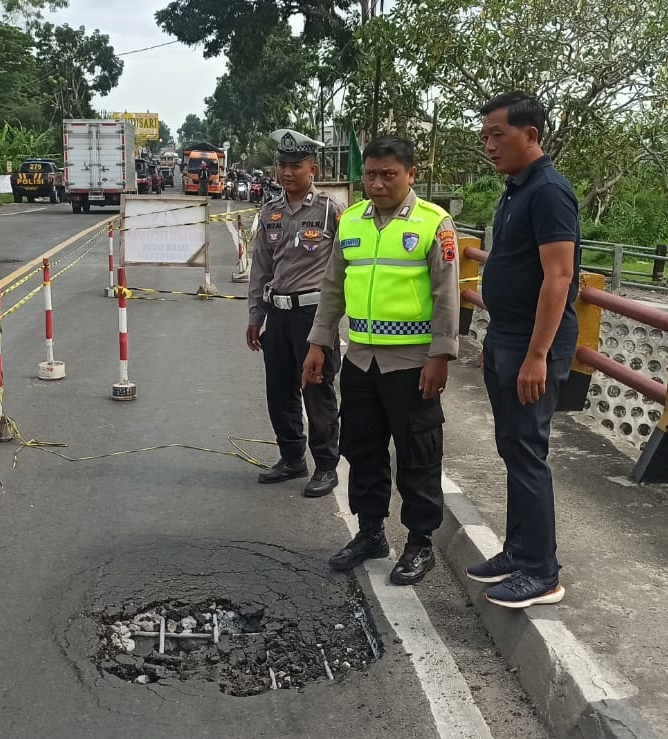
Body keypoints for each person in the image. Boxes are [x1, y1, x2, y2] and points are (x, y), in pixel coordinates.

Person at [303, 136, 460, 586]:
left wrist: (441, 355)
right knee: (363, 449)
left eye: (388, 174)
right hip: (361, 360)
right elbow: (333, 288)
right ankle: (370, 532)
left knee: (418, 455)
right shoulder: (350, 221)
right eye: (370, 174)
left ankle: (419, 543)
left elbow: (446, 295)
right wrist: (320, 343)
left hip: (413, 364)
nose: (376, 182)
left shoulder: (435, 223)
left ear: (410, 174)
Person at [462, 91, 580, 608]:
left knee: (528, 450)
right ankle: (517, 551)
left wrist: (536, 355)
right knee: (512, 446)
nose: (488, 145)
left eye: (497, 135)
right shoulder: (515, 189)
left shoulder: (549, 191)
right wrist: (496, 337)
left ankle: (541, 571)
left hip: (534, 342)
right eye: (484, 136)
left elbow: (559, 276)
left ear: (530, 135)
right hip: (507, 335)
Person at [246, 128, 343, 498]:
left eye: (296, 165)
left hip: (314, 315)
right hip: (279, 314)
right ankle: (291, 457)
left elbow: (345, 264)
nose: (287, 172)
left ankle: (327, 465)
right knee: (279, 390)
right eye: (282, 165)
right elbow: (261, 270)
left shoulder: (330, 211)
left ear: (312, 168)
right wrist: (255, 316)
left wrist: (334, 319)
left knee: (317, 391)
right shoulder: (270, 212)